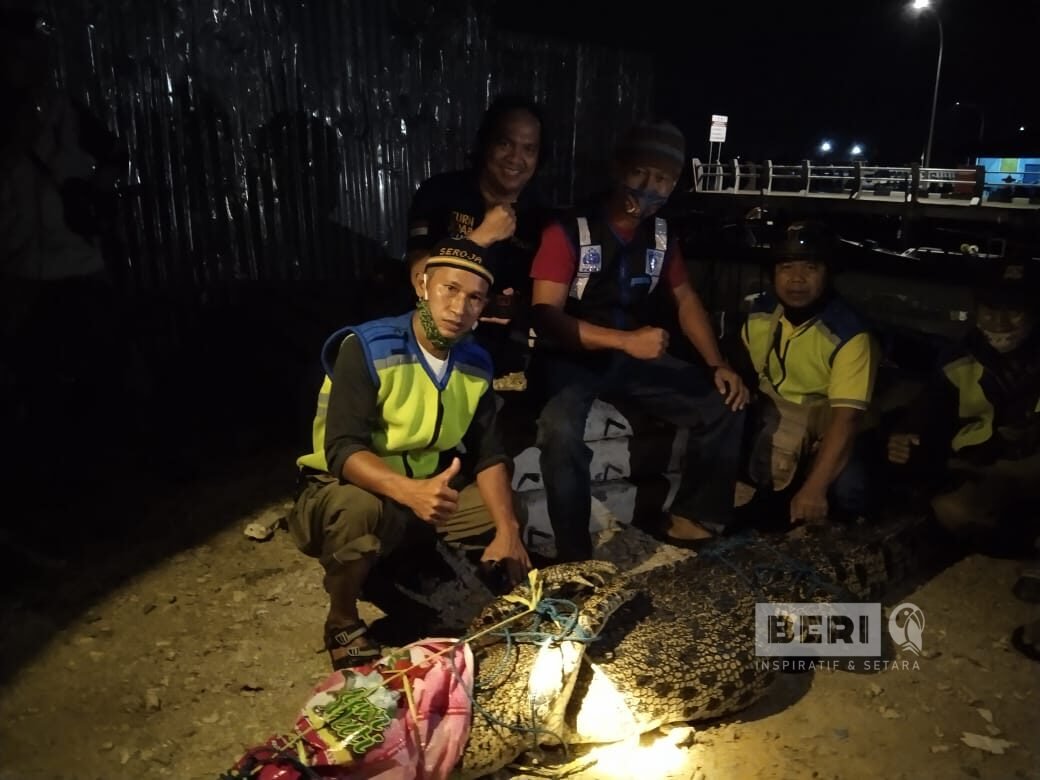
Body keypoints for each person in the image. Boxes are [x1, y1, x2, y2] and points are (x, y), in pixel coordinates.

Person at [288, 238, 532, 670]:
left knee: (507, 507)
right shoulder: (367, 347)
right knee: (356, 508)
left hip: (422, 494)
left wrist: (507, 530)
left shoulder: (475, 361)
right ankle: (342, 618)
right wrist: (411, 492)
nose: (460, 306)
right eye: (449, 289)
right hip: (348, 489)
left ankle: (428, 572)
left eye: (475, 297)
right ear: (423, 285)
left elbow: (490, 453)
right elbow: (343, 449)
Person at [527, 119, 749, 562]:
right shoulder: (568, 230)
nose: (649, 188)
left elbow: (686, 300)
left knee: (723, 402)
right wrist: (625, 342)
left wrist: (717, 363)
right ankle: (574, 556)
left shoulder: (663, 236)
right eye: (640, 173)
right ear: (618, 168)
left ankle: (696, 516)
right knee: (559, 430)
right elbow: (544, 314)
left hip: (631, 357)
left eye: (663, 179)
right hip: (570, 357)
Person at [886, 260, 1040, 551]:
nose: (999, 323)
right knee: (953, 509)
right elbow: (929, 406)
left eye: (1014, 311)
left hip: (1030, 469)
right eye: (990, 310)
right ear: (976, 309)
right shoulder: (959, 358)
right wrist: (905, 434)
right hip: (987, 469)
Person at [739, 220, 880, 527]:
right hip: (776, 419)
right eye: (786, 267)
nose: (797, 279)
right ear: (773, 273)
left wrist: (814, 490)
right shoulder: (759, 313)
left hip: (825, 428)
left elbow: (847, 419)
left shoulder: (849, 334)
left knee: (848, 489)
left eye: (810, 268)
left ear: (828, 274)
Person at [404, 94, 551, 376]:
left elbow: (544, 297)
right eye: (505, 143)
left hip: (505, 346)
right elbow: (418, 275)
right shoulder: (440, 193)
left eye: (529, 149)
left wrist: (515, 305)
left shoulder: (542, 214)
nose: (515, 159)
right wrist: (482, 236)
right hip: (435, 335)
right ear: (485, 143)